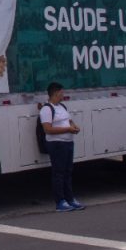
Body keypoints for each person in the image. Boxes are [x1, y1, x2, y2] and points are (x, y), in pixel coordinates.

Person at [40, 81, 84, 211]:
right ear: (55, 93)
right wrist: (67, 130)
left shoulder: (62, 106)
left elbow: (69, 120)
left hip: (68, 143)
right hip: (57, 144)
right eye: (61, 93)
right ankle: (60, 201)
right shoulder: (46, 109)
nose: (63, 95)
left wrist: (74, 126)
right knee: (58, 173)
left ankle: (70, 199)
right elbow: (47, 129)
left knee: (68, 172)